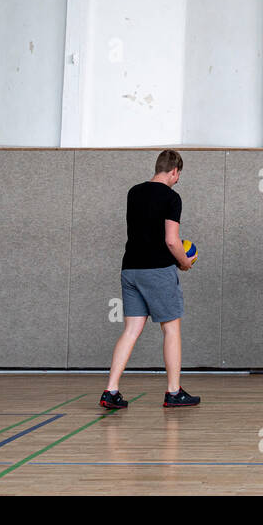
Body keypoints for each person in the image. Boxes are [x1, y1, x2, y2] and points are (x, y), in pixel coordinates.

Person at [100, 150, 199, 410]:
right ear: (175, 171)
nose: (177, 180)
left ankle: (110, 390)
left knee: (131, 330)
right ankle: (174, 392)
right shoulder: (172, 197)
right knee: (171, 329)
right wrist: (184, 262)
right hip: (157, 270)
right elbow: (171, 240)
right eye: (179, 175)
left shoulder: (134, 192)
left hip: (130, 268)